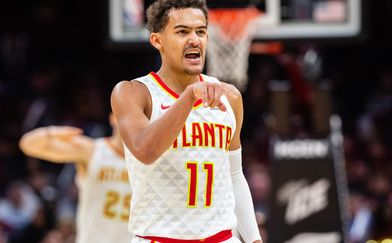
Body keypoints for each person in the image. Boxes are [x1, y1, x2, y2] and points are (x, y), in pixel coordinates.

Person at [111, 0, 262, 242]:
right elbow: (144, 150)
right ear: (157, 40)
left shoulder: (230, 97)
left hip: (221, 237)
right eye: (182, 32)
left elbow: (235, 176)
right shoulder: (133, 92)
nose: (195, 40)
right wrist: (189, 97)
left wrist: (254, 239)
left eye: (200, 31)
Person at [18, 114, 133, 243]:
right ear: (113, 118)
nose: (130, 122)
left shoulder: (149, 161)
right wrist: (53, 131)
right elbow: (27, 144)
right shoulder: (93, 150)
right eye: (126, 114)